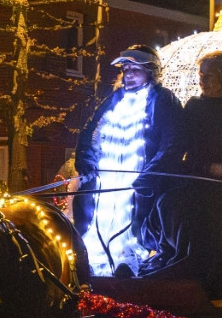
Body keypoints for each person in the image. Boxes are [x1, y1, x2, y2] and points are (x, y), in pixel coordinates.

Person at [135, 50, 222, 307]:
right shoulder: (194, 107)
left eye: (209, 77)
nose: (202, 81)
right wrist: (157, 171)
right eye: (200, 75)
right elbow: (177, 142)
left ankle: (214, 283)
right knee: (168, 204)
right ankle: (172, 265)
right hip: (193, 177)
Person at [73, 45, 183, 278]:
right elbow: (90, 132)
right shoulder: (113, 100)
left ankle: (131, 263)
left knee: (133, 228)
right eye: (125, 69)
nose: (128, 74)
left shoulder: (163, 100)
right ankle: (95, 262)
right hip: (107, 181)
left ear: (150, 71)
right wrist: (86, 161)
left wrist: (151, 176)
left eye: (135, 69)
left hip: (139, 184)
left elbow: (172, 142)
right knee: (101, 224)